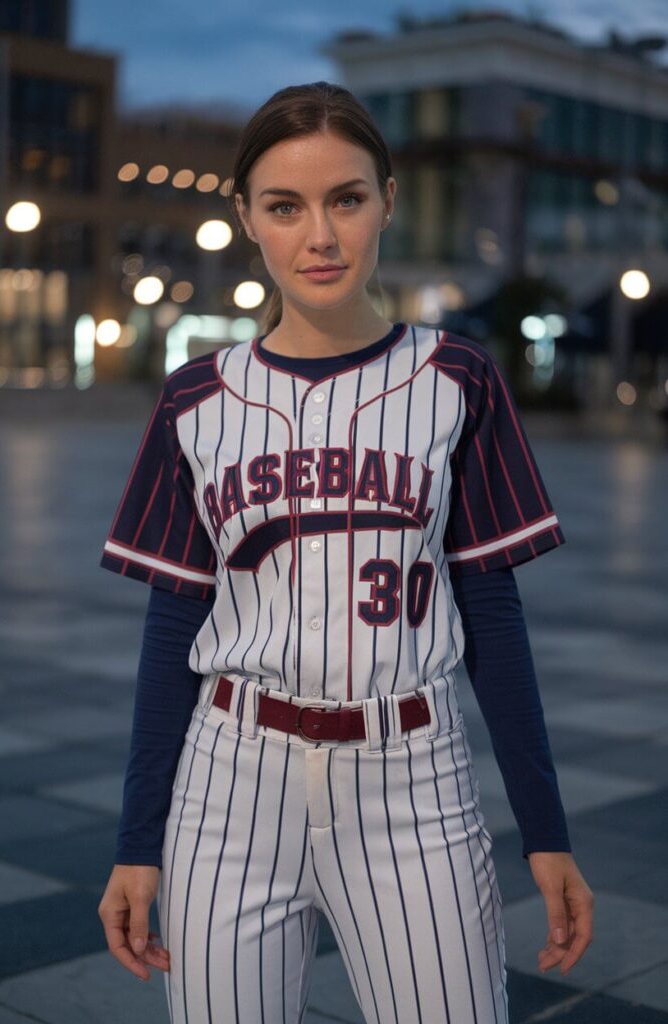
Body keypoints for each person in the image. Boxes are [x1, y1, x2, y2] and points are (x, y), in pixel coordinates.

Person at [97, 81, 594, 1024]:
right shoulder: (195, 399)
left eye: (346, 199)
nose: (318, 235)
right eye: (285, 206)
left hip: (412, 775)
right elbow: (174, 624)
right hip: (229, 781)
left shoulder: (458, 378)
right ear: (245, 216)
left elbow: (489, 609)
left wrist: (545, 829)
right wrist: (137, 840)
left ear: (387, 201)